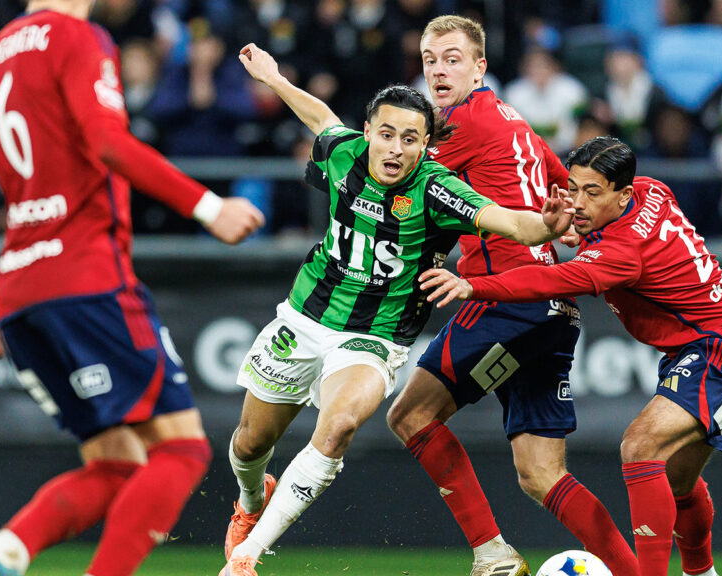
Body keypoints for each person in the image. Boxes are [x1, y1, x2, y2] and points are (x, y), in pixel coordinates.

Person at [0, 1, 265, 576]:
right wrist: (208, 206)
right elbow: (107, 142)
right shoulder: (78, 38)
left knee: (116, 465)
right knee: (182, 451)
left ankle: (5, 551)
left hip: (18, 298)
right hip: (88, 280)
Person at [221, 43, 575, 576]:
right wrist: (272, 79)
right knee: (250, 444)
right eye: (386, 134)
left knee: (338, 427)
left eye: (410, 139)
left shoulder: (437, 189)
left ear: (427, 145)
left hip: (374, 339)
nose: (395, 149)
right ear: (367, 132)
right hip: (304, 319)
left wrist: (546, 225)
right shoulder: (342, 153)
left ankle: (247, 558)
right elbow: (318, 115)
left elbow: (510, 222)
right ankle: (251, 502)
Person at [421, 136, 722, 576]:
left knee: (640, 446)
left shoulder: (621, 254)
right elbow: (610, 229)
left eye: (592, 193)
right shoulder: (651, 190)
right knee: (677, 482)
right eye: (574, 188)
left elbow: (547, 282)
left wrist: (475, 286)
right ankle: (703, 573)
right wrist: (583, 226)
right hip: (709, 346)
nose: (579, 202)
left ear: (622, 194)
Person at [386, 15, 639, 576]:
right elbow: (563, 188)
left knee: (410, 415)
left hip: (508, 300)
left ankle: (491, 555)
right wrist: (569, 224)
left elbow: (400, 185)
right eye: (430, 59)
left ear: (479, 66)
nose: (438, 70)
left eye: (452, 58)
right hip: (554, 308)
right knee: (540, 474)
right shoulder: (513, 118)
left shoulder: (459, 126)